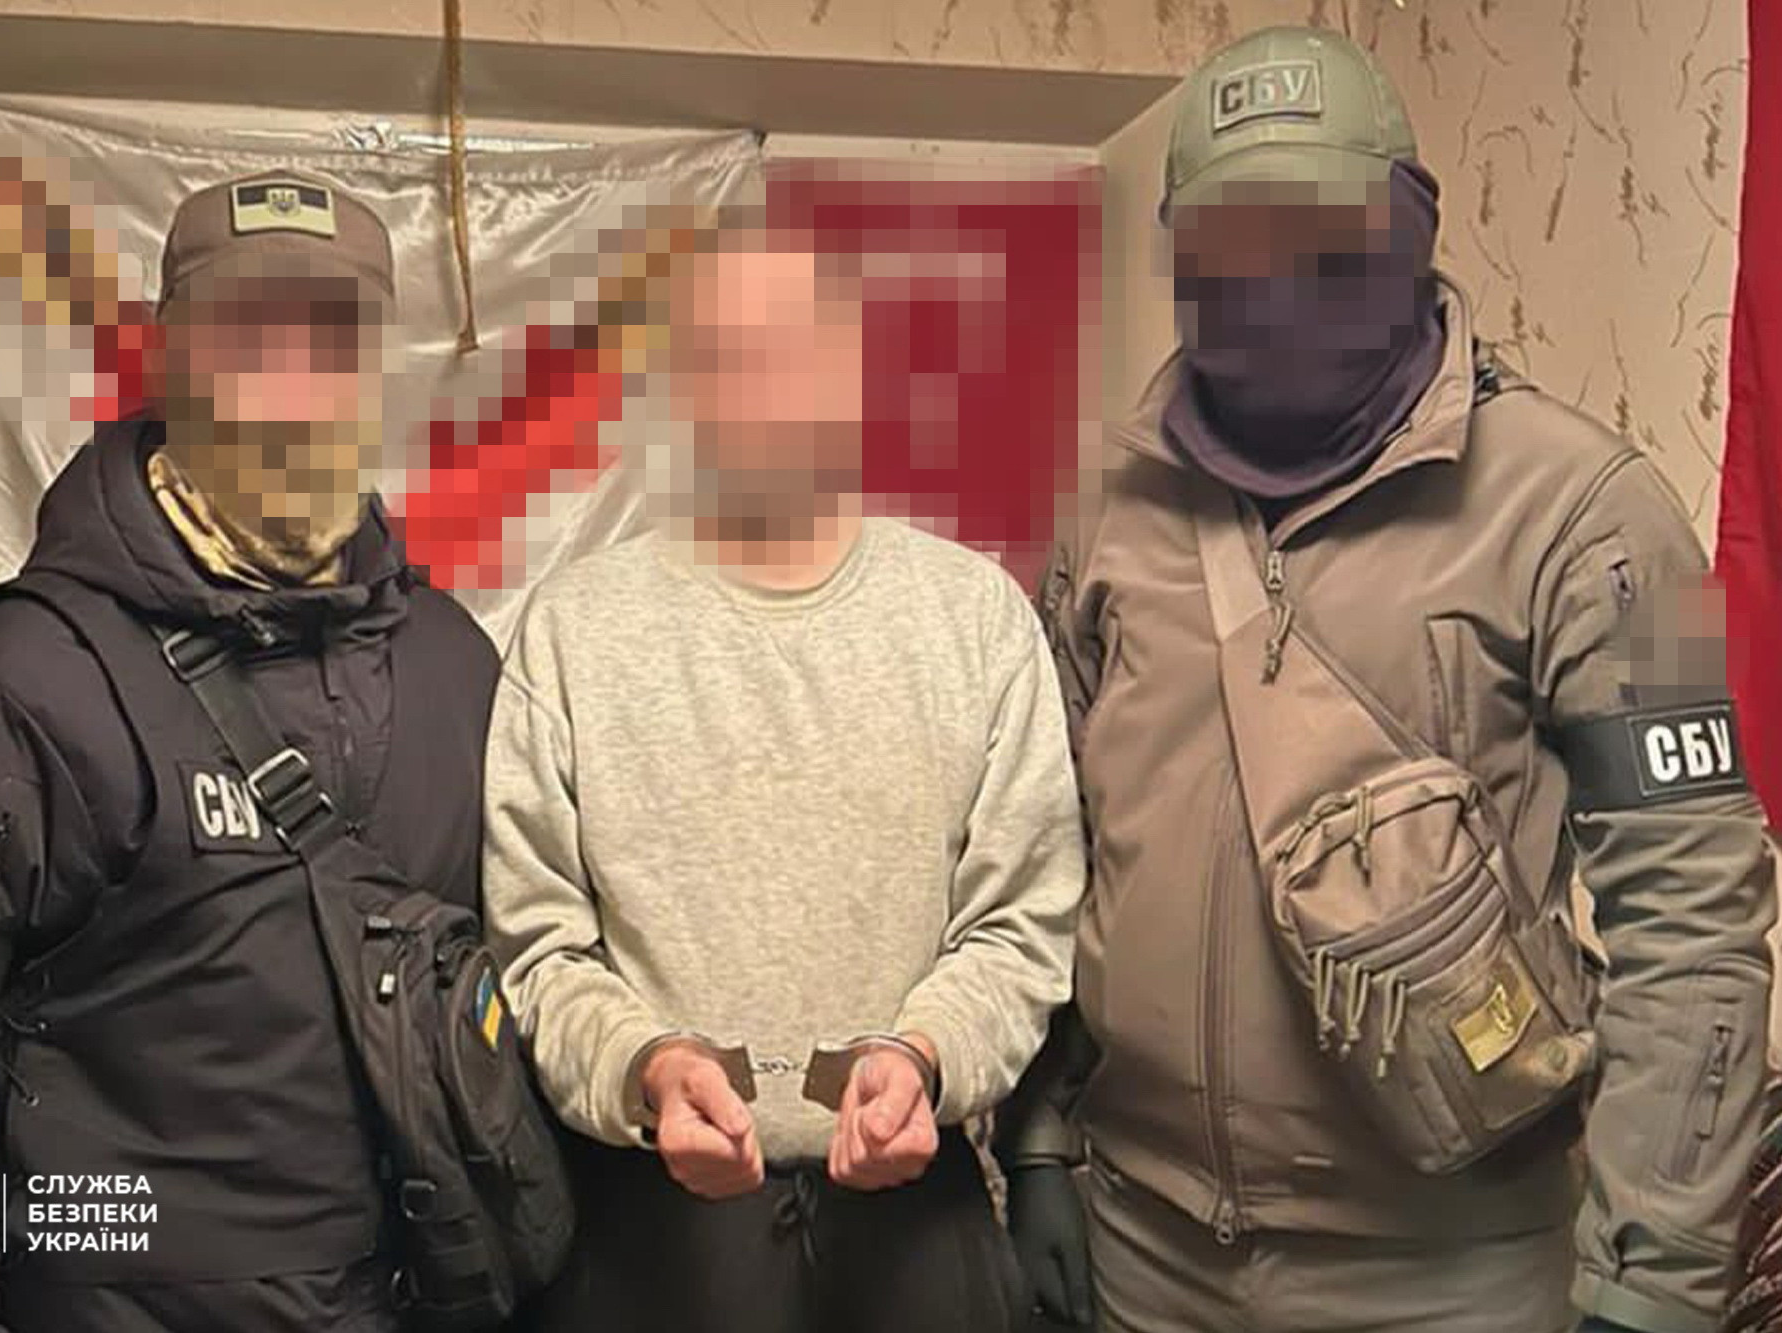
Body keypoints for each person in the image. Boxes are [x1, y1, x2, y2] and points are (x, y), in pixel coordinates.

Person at [999, 25, 1777, 1333]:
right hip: (1144, 1250)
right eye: (1228, 240)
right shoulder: (1104, 512)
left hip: (1450, 1276)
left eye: (1319, 228)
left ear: (1409, 226)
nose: (1270, 277)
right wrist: (1038, 1143)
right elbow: (1057, 847)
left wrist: (1653, 1280)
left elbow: (1694, 909)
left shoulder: (1596, 514)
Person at [0, 173, 502, 1331]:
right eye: (247, 331)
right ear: (173, 352)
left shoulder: (454, 666)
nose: (291, 379)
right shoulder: (13, 682)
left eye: (330, 336)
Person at [482, 219, 1086, 1333]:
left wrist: (926, 1056)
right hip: (650, 1224)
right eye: (722, 355)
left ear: (853, 371)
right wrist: (642, 1066)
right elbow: (538, 946)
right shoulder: (575, 632)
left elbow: (1022, 924)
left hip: (917, 1211)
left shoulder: (973, 621)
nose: (760, 388)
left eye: (792, 348)